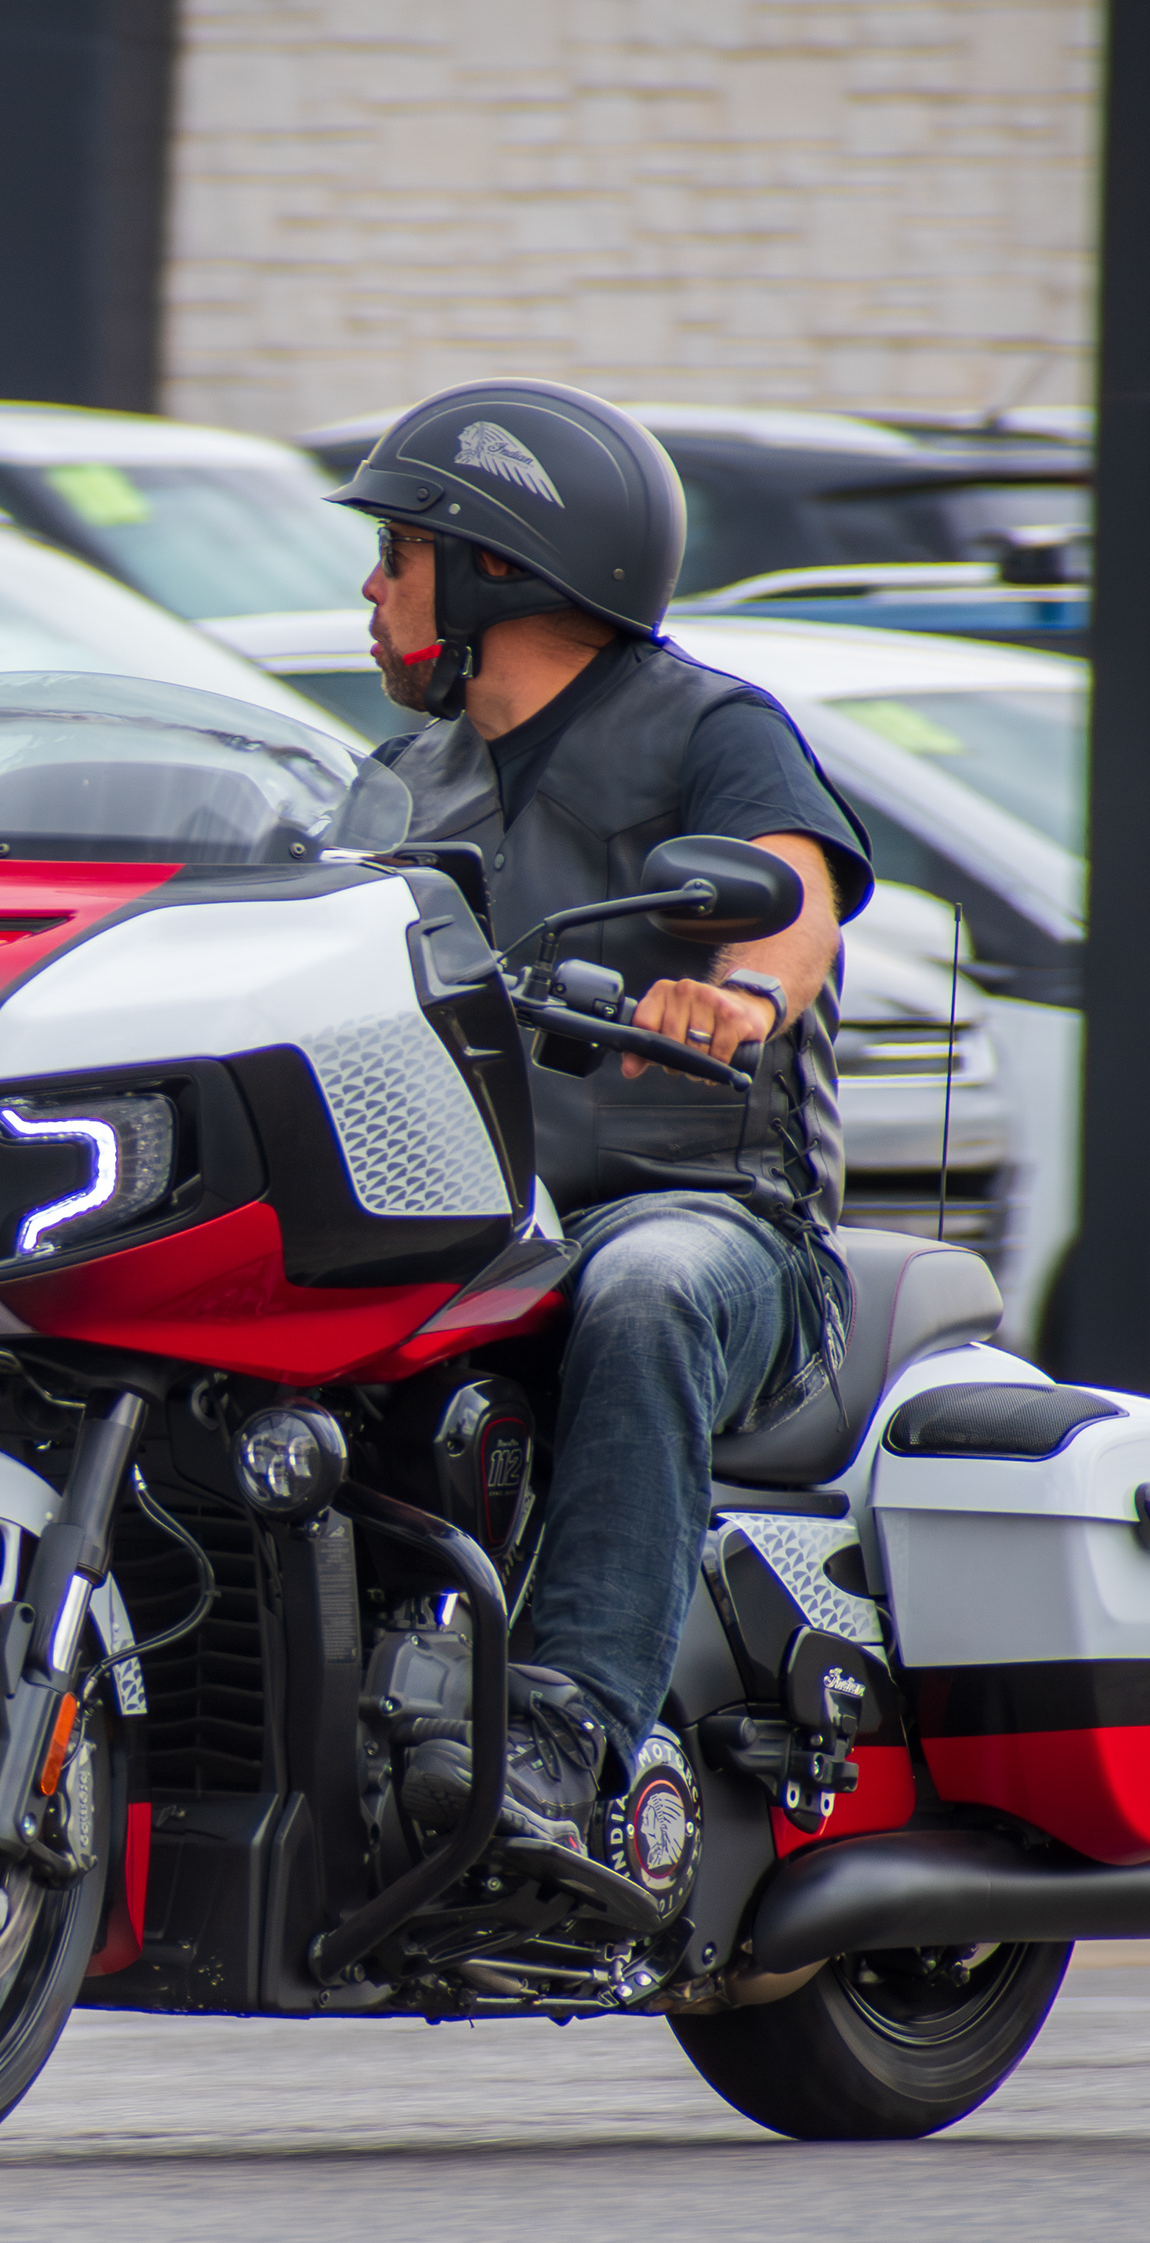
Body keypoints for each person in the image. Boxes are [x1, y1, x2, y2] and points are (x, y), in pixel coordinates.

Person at [325, 378, 872, 1881]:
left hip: (711, 1222)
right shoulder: (396, 781)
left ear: (495, 567)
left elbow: (793, 885)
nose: (370, 590)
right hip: (465, 1222)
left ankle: (565, 1737)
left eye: (397, 555)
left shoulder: (705, 725)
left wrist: (742, 996)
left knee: (638, 1295)